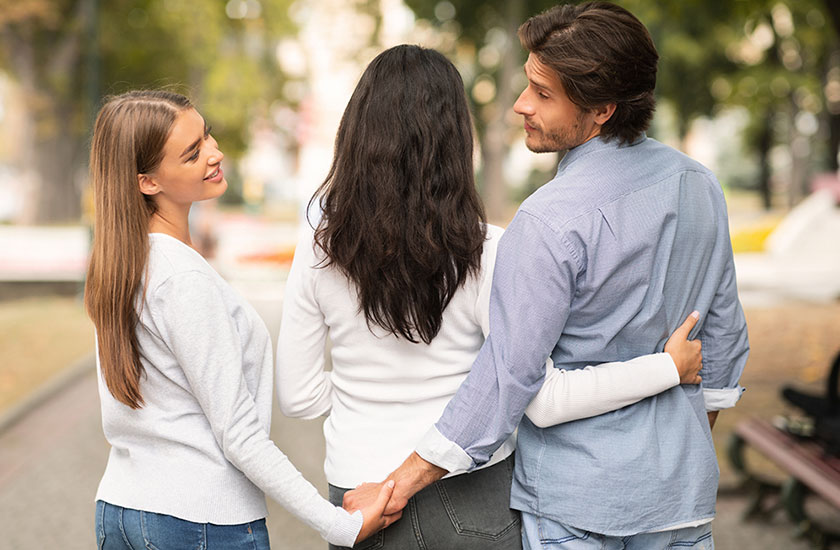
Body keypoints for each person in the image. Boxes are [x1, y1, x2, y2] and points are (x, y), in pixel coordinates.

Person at [344, 5, 749, 550]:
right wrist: (677, 460)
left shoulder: (546, 221)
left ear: (602, 109)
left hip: (576, 506)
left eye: (542, 93)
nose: (521, 104)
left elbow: (509, 382)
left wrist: (394, 487)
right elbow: (720, 344)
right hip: (679, 502)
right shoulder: (701, 187)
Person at [84, 90, 398, 550]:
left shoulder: (123, 266)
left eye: (206, 135)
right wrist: (340, 527)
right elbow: (241, 437)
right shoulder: (181, 278)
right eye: (193, 154)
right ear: (148, 181)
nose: (215, 154)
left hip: (120, 512)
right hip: (198, 522)